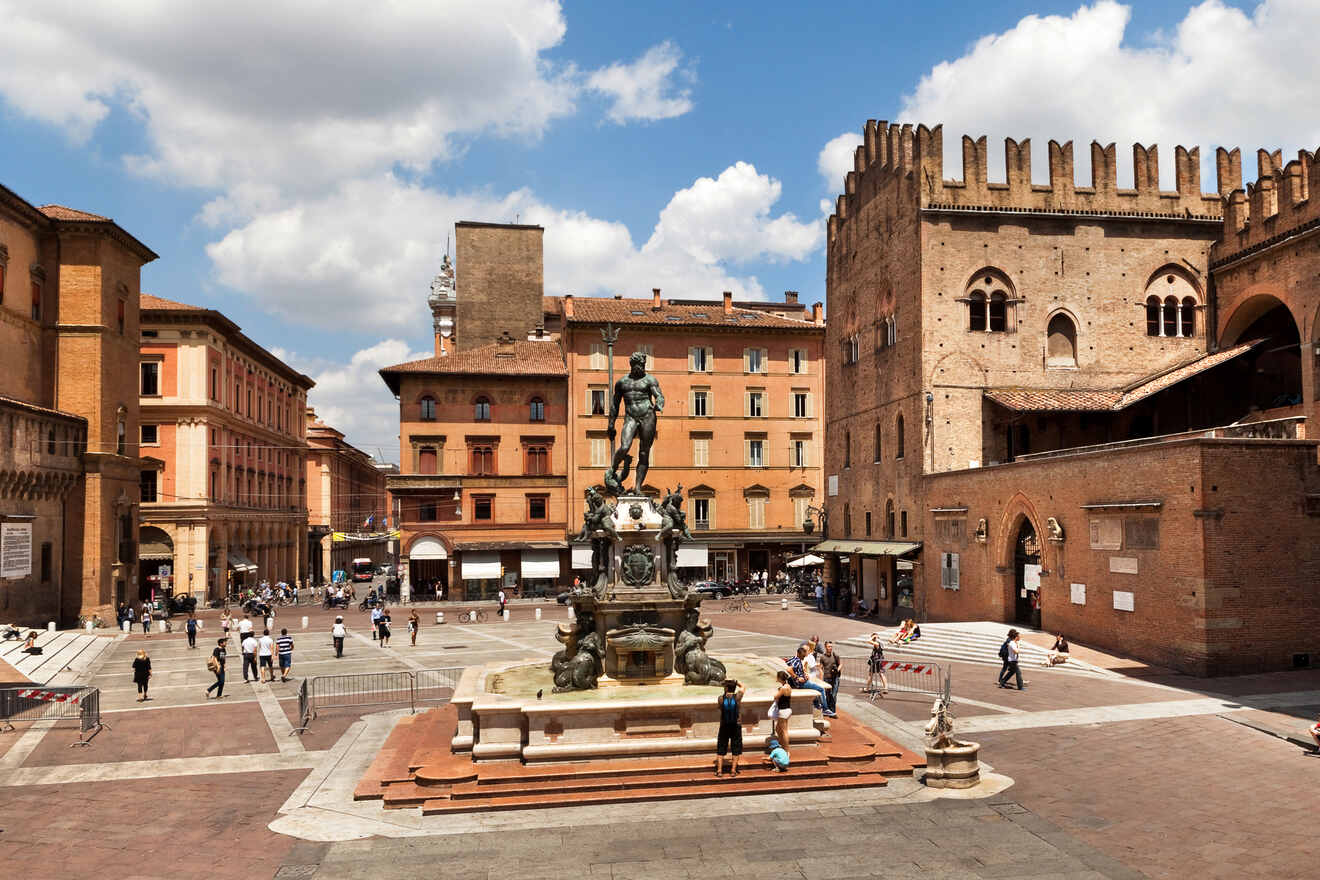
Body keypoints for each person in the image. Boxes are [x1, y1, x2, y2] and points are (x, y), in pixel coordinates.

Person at [714, 679, 745, 778]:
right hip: (736, 725)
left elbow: (719, 708)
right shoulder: (738, 697)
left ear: (726, 688)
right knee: (736, 747)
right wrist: (736, 681)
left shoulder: (720, 698)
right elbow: (743, 687)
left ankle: (719, 770)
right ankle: (733, 770)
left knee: (721, 747)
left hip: (724, 725)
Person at [786, 645, 829, 716]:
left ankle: (817, 705)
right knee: (821, 689)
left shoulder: (793, 659)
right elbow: (789, 669)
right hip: (801, 684)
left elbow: (788, 664)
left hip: (800, 682)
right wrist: (797, 677)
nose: (803, 658)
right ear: (798, 654)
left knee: (814, 689)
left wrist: (802, 672)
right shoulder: (797, 661)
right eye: (802, 656)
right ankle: (825, 709)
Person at [770, 670, 793, 748]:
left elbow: (775, 697)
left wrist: (779, 690)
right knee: (778, 729)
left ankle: (786, 750)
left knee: (784, 731)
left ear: (780, 678)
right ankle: (782, 746)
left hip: (783, 711)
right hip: (788, 710)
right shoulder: (788, 686)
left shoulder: (783, 688)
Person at [819, 641, 841, 716]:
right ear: (825, 647)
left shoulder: (835, 655)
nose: (830, 648)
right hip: (827, 678)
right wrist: (821, 680)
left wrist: (837, 670)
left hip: (835, 678)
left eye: (831, 646)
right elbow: (821, 668)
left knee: (834, 695)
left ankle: (833, 711)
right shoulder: (822, 657)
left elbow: (840, 664)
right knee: (828, 694)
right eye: (829, 646)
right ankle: (828, 710)